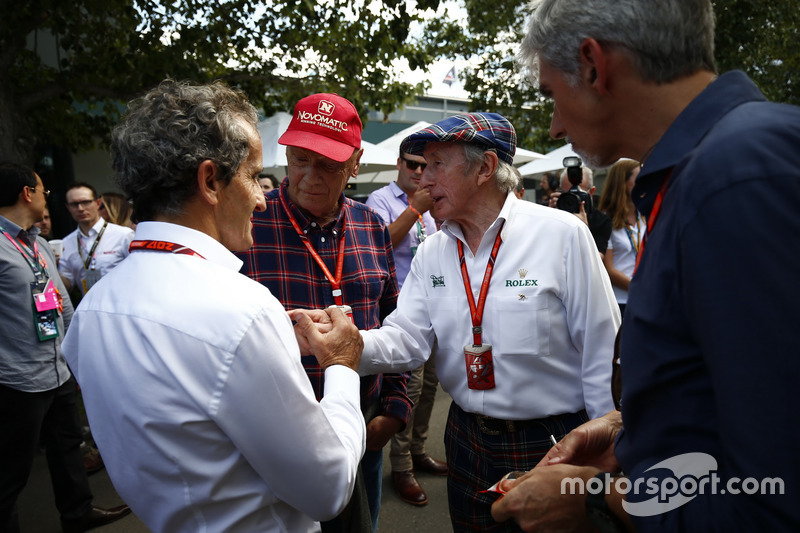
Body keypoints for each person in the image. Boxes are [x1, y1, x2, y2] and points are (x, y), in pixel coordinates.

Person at [490, 0, 800, 531]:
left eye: (551, 95)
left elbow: (774, 493)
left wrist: (593, 497)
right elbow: (726, 395)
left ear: (593, 65)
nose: (555, 124)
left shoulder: (736, 176)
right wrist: (627, 432)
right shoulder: (715, 168)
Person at [61, 79, 368, 533]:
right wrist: (341, 365)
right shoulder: (239, 309)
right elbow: (328, 489)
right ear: (209, 180)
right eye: (250, 175)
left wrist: (275, 345)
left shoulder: (93, 310)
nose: (263, 198)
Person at [296, 112, 621, 532]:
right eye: (421, 166)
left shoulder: (561, 236)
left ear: (485, 167)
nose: (422, 180)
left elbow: (602, 349)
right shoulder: (433, 250)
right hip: (465, 440)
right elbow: (407, 340)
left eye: (436, 164)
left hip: (552, 440)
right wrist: (345, 343)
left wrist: (606, 453)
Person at [238, 93, 411, 533]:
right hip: (278, 429)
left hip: (362, 417)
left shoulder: (371, 224)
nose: (310, 177)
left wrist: (392, 407)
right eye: (299, 160)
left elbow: (393, 318)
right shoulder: (247, 226)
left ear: (356, 162)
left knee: (361, 525)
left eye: (329, 165)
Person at [0, 161, 131, 533]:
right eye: (45, 191)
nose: (48, 199)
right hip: (18, 377)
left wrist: (76, 354)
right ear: (27, 193)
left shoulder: (38, 242)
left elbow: (60, 299)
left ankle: (78, 512)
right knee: (12, 469)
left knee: (67, 446)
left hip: (56, 368)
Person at [365, 150, 447, 507]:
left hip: (434, 310)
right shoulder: (380, 200)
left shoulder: (433, 198)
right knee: (408, 389)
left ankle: (418, 451)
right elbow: (382, 246)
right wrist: (415, 208)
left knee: (429, 387)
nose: (418, 170)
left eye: (424, 165)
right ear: (398, 164)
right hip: (401, 314)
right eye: (411, 164)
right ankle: (401, 468)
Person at [58, 182, 134, 297]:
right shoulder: (66, 243)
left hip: (122, 304)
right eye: (74, 204)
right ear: (68, 208)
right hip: (89, 308)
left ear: (98, 203)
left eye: (86, 202)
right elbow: (67, 286)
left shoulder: (123, 235)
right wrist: (49, 266)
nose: (81, 208)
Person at [597, 159, 643, 315]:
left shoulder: (642, 216)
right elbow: (608, 270)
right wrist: (641, 289)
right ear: (623, 183)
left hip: (644, 298)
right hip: (620, 302)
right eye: (639, 177)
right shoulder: (604, 221)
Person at [549, 164, 612, 256]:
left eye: (578, 194)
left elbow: (597, 258)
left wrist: (583, 229)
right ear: (559, 191)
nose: (572, 199)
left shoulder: (601, 221)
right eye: (567, 193)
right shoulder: (553, 213)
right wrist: (549, 218)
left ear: (591, 192)